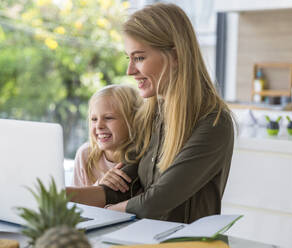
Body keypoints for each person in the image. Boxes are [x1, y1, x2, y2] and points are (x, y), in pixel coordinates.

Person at [67, 3, 234, 224]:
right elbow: (122, 186)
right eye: (130, 58)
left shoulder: (213, 122)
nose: (130, 71)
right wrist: (59, 195)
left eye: (139, 58)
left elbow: (157, 200)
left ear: (175, 56)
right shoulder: (153, 115)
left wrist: (107, 212)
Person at [72, 84, 142, 193]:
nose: (99, 126)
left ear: (134, 121)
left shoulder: (144, 157)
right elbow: (74, 203)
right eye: (94, 119)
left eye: (108, 118)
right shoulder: (85, 154)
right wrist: (99, 187)